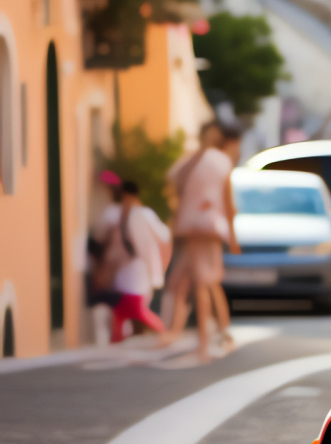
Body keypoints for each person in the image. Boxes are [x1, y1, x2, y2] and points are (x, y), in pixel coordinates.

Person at [167, 120, 241, 361]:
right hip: (201, 229)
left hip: (200, 230)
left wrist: (232, 236)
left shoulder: (200, 162)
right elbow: (227, 203)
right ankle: (220, 331)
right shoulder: (211, 162)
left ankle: (203, 341)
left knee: (200, 282)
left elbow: (227, 202)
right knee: (206, 282)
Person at [99, 179, 171, 342]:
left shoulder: (143, 214)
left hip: (139, 268)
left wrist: (161, 266)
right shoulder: (119, 214)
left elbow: (164, 237)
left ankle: (161, 332)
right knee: (122, 308)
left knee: (134, 307)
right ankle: (118, 336)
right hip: (124, 269)